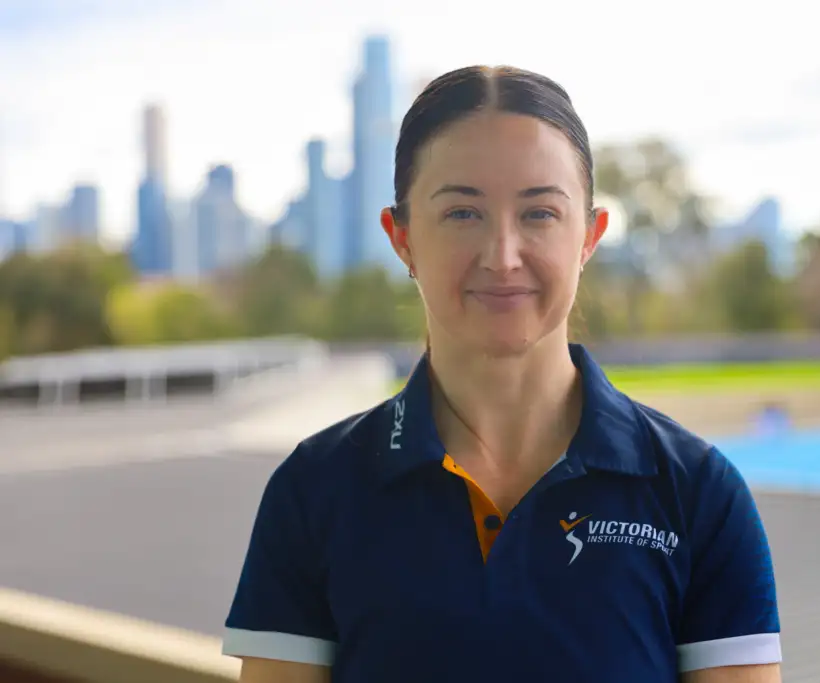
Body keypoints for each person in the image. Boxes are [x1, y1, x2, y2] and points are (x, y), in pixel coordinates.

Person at [222, 65, 783, 683]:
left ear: (589, 236)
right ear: (402, 237)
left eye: (540, 213)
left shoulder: (699, 495)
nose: (503, 256)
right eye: (463, 214)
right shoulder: (313, 494)